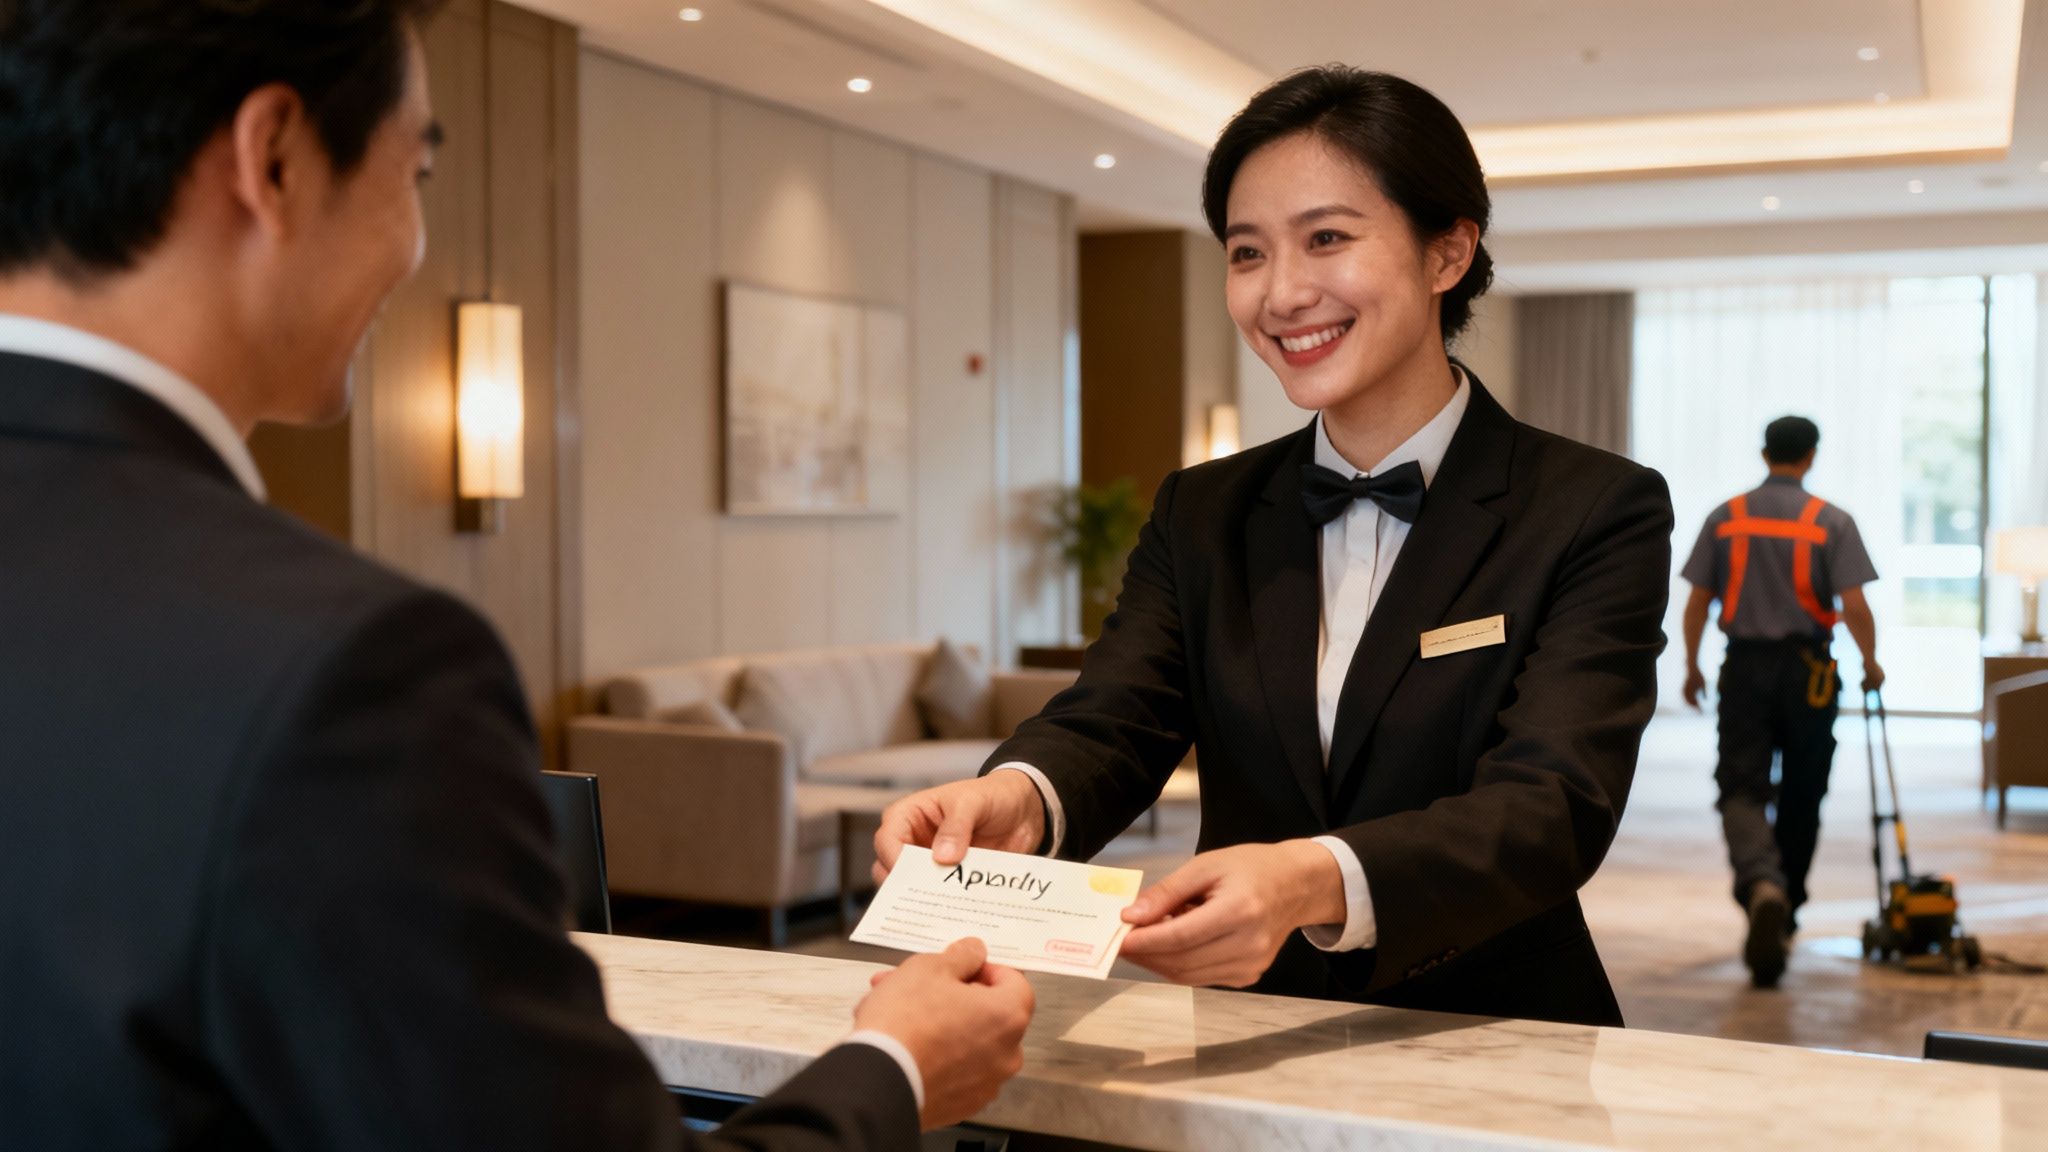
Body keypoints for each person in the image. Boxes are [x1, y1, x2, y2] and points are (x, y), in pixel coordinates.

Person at [0, 3, 1031, 1149]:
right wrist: (895, 1065)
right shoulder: (351, 670)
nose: (415, 244)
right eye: (418, 171)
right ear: (276, 158)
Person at [875, 67, 1674, 1027]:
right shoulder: (1204, 508)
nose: (1283, 292)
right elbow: (1117, 716)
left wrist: (1310, 880)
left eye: (1327, 238)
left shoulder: (1594, 507)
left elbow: (1552, 805)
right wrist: (1020, 795)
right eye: (1247, 252)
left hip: (1493, 1024)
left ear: (1447, 252)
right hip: (1242, 1025)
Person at [1679, 416, 1881, 989]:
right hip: (1810, 672)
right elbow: (1855, 607)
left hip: (1743, 667)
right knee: (1803, 790)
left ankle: (1761, 882)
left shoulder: (1726, 517)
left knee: (1740, 784)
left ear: (1764, 452)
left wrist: (1692, 665)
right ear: (1811, 456)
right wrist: (1871, 661)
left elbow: (1697, 602)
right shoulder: (1831, 521)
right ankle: (1784, 908)